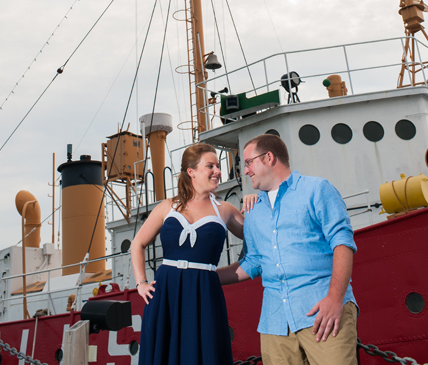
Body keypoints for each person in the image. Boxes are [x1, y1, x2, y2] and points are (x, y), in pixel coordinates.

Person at [218, 134, 357, 364]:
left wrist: (335, 299)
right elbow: (254, 262)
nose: (246, 171)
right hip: (275, 325)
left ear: (269, 157)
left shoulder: (316, 189)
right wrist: (207, 277)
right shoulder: (253, 211)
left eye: (249, 162)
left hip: (322, 313)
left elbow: (342, 243)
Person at [130, 143, 245, 364]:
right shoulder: (167, 206)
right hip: (165, 293)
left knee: (204, 352)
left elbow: (259, 240)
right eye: (210, 166)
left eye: (218, 166)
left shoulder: (225, 210)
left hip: (204, 293)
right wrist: (141, 283)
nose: (217, 171)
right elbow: (138, 244)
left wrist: (254, 203)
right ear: (191, 172)